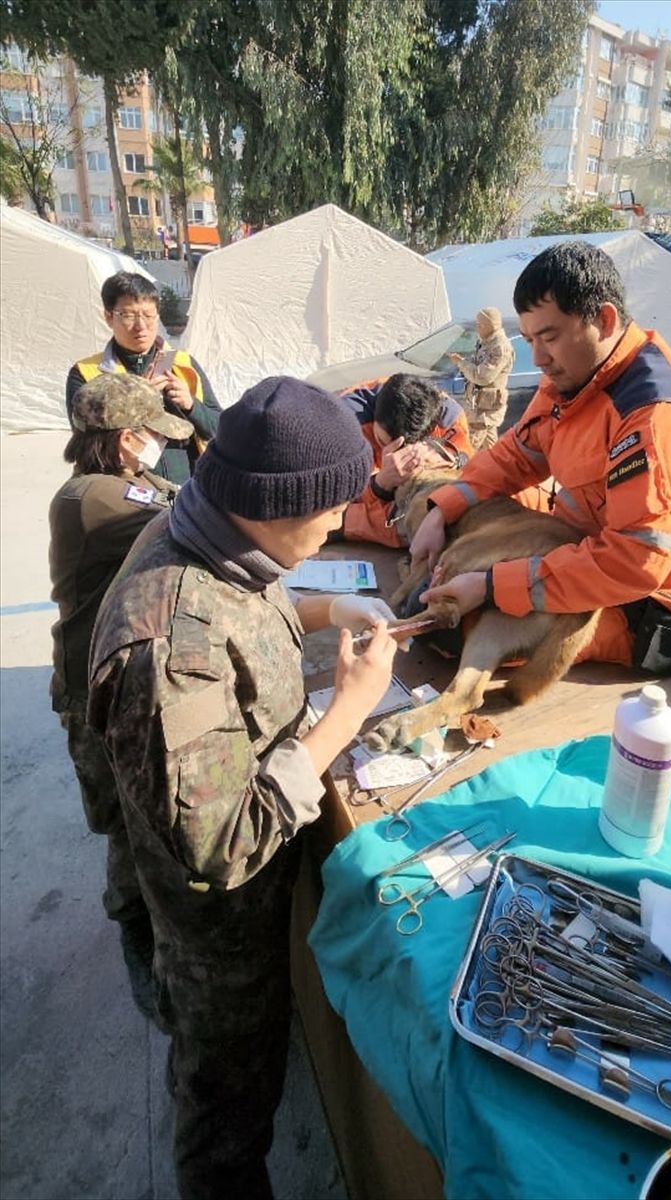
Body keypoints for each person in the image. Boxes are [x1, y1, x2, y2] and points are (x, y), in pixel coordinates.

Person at [87, 376, 397, 1199]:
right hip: (217, 933)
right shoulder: (171, 648)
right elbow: (224, 845)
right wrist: (348, 711)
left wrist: (327, 609)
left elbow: (251, 597)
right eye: (329, 510)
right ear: (275, 503)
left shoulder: (210, 529)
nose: (337, 524)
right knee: (227, 1099)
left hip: (244, 905)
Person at [410, 241, 671, 675]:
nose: (538, 358)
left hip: (646, 610)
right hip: (577, 552)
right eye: (529, 339)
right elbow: (515, 456)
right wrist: (443, 509)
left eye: (549, 337)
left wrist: (493, 586)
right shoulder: (574, 377)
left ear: (604, 321)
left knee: (451, 624)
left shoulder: (659, 414)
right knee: (444, 532)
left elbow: (634, 564)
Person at [49, 373, 193, 1019]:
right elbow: (186, 521)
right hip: (94, 694)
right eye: (154, 436)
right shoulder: (90, 499)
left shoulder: (128, 485)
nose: (161, 448)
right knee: (127, 828)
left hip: (124, 677)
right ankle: (138, 934)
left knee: (145, 817)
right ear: (127, 438)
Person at [66, 271, 222, 484]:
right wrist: (139, 398)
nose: (141, 326)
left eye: (149, 315)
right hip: (125, 491)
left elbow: (220, 427)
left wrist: (191, 406)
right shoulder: (86, 372)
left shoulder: (184, 365)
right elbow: (86, 442)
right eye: (129, 315)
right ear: (109, 317)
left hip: (190, 488)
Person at [340, 372, 473, 547]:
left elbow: (469, 468)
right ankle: (348, 524)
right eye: (382, 442)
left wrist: (443, 458)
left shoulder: (449, 418)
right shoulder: (346, 424)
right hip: (360, 499)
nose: (392, 454)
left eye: (403, 447)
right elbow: (340, 495)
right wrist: (380, 484)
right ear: (374, 416)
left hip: (410, 499)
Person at [449, 306, 515, 450]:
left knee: (467, 448)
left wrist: (461, 363)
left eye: (480, 325)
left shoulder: (500, 348)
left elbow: (482, 376)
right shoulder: (485, 342)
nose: (477, 327)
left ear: (491, 325)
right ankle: (495, 470)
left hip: (485, 409)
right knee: (490, 449)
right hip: (478, 406)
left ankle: (463, 471)